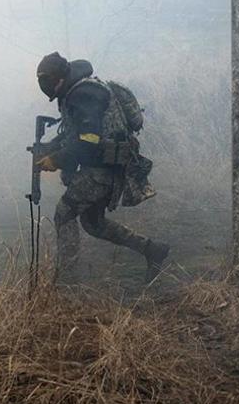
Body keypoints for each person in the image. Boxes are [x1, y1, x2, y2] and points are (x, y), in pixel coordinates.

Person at [33, 52, 169, 284]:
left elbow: (88, 140)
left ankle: (67, 281)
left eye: (46, 81)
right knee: (93, 223)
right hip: (101, 166)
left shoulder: (84, 94)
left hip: (102, 169)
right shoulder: (75, 91)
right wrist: (50, 148)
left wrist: (56, 160)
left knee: (64, 214)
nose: (45, 88)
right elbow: (73, 134)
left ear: (58, 78)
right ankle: (152, 250)